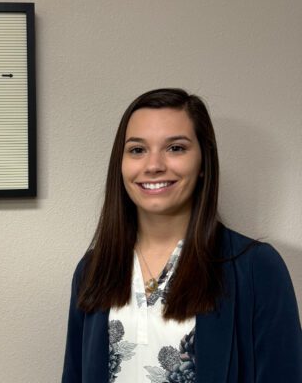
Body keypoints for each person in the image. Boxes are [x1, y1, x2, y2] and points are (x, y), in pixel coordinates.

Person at [61, 88, 301, 383]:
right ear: (120, 164)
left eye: (175, 148)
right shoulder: (92, 269)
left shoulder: (256, 267)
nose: (153, 165)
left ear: (203, 162)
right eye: (137, 149)